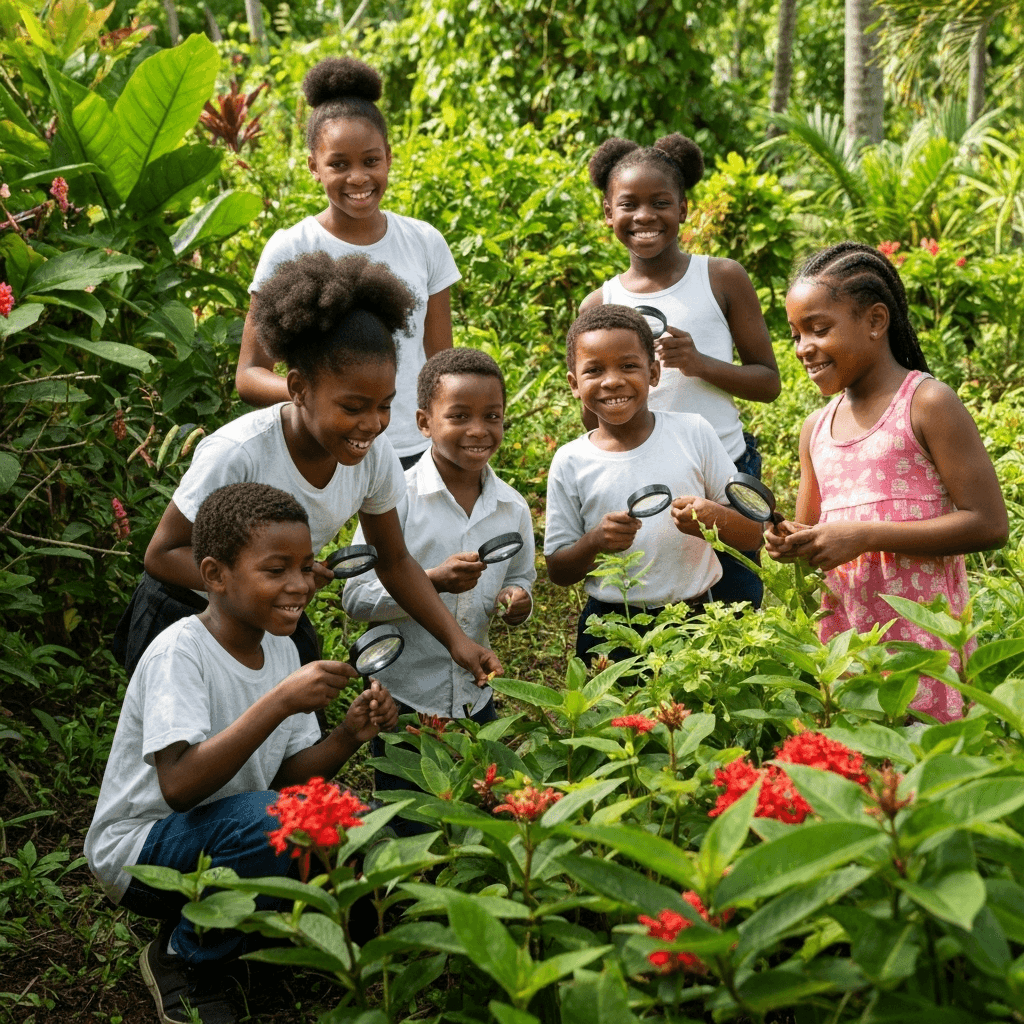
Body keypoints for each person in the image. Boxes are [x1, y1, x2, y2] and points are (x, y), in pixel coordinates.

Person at [86, 483, 400, 1024]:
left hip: (239, 826)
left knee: (363, 825)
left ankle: (309, 927)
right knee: (266, 823)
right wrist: (278, 703)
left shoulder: (282, 647)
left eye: (305, 567)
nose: (299, 585)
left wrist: (347, 735)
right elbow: (179, 786)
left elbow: (287, 778)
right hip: (144, 852)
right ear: (215, 575)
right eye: (275, 570)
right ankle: (184, 958)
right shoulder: (180, 652)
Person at [120, 252, 500, 687]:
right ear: (299, 388)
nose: (372, 424)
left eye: (384, 406)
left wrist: (457, 641)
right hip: (185, 610)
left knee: (288, 736)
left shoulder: (374, 457)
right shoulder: (240, 453)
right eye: (352, 407)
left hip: (267, 609)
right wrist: (278, 582)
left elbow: (393, 561)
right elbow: (162, 555)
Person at [765, 242, 1008, 723]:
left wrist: (865, 535)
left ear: (876, 321)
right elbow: (812, 531)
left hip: (924, 648)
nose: (803, 348)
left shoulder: (927, 404)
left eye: (818, 329)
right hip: (847, 647)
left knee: (929, 778)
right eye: (795, 334)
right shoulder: (816, 428)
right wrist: (790, 539)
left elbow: (989, 524)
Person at [580, 133, 780, 607]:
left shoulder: (721, 277)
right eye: (628, 204)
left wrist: (700, 364)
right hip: (642, 477)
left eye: (661, 203)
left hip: (726, 470)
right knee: (648, 602)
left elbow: (768, 381)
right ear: (609, 213)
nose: (645, 216)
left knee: (734, 605)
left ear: (684, 208)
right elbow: (594, 421)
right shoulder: (601, 303)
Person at [237, 56, 459, 471]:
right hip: (316, 452)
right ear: (313, 167)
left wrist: (453, 438)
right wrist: (318, 399)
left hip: (409, 451)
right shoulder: (290, 247)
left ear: (389, 158)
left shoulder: (424, 242)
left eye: (370, 161)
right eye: (339, 164)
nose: (358, 178)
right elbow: (249, 375)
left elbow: (440, 365)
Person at [343, 349, 534, 806]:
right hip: (404, 698)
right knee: (408, 812)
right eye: (459, 415)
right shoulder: (395, 501)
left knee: (478, 808)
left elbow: (523, 575)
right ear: (425, 422)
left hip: (477, 696)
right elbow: (355, 595)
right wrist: (432, 580)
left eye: (493, 416)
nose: (479, 430)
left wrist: (517, 598)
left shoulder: (512, 508)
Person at [544, 305, 763, 664]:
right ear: (573, 384)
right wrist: (594, 541)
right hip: (611, 627)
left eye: (628, 366)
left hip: (696, 620)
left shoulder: (693, 432)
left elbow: (754, 535)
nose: (612, 380)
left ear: (654, 372)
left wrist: (713, 519)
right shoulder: (570, 461)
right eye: (594, 370)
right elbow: (558, 570)